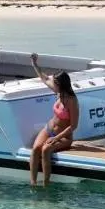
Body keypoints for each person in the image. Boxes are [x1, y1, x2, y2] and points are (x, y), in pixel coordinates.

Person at [29, 53, 79, 187]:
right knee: (35, 149)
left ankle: (46, 184)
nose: (53, 85)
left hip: (63, 137)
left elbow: (73, 126)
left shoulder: (72, 100)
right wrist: (35, 64)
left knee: (45, 150)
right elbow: (44, 78)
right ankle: (33, 184)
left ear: (61, 85)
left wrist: (56, 139)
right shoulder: (57, 93)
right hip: (49, 129)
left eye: (55, 83)